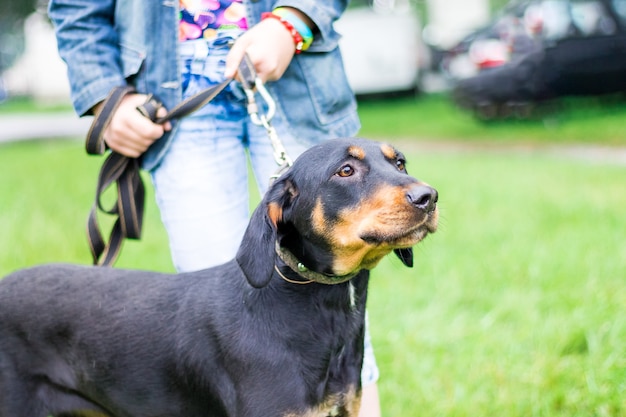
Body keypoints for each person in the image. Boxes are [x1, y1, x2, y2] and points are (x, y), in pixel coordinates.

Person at [48, 1, 381, 415]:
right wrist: (104, 95)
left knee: (337, 275)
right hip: (171, 97)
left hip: (295, 70)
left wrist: (294, 21)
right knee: (217, 317)